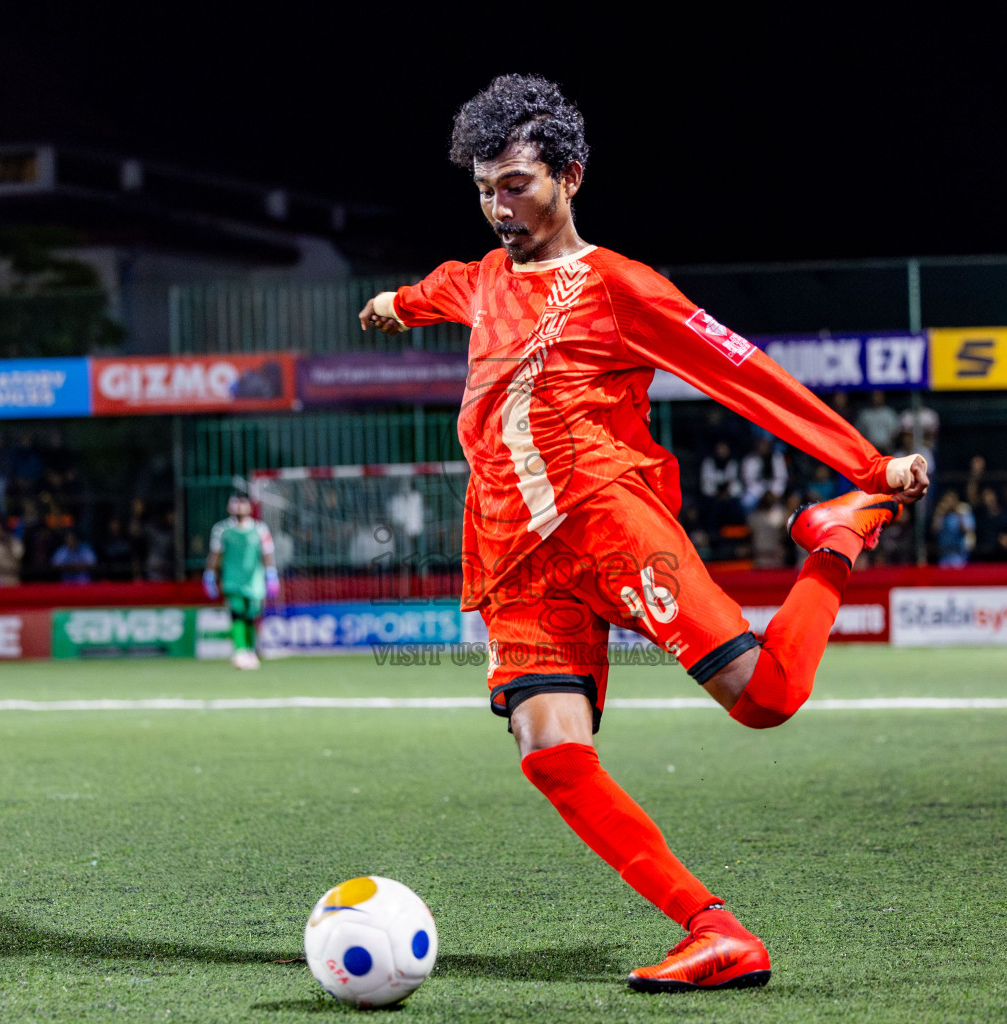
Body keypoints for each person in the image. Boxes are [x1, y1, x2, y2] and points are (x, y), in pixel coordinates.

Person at [357, 75, 929, 993]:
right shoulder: (482, 280)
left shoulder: (620, 286)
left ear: (570, 176)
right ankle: (716, 932)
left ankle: (834, 539)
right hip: (511, 554)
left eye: (516, 185)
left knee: (766, 696)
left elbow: (745, 373)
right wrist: (393, 303)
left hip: (607, 522)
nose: (499, 207)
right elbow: (437, 291)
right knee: (550, 753)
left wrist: (868, 468)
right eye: (483, 189)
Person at [204, 494, 279, 670]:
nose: (239, 507)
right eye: (235, 503)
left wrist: (271, 573)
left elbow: (267, 553)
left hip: (254, 581)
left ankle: (250, 651)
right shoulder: (221, 529)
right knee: (236, 612)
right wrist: (209, 574)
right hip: (232, 580)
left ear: (250, 507)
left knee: (251, 615)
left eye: (242, 503)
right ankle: (239, 651)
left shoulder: (260, 529)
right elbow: (215, 554)